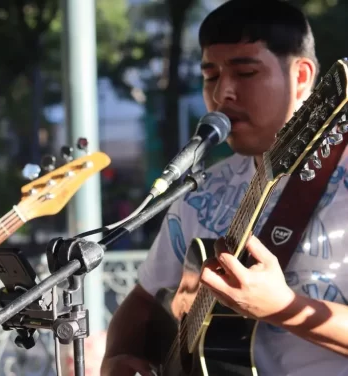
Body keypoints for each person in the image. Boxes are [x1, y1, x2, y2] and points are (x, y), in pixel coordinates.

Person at [102, 1, 348, 375]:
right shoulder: (201, 189)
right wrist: (118, 357)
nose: (223, 94)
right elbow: (143, 299)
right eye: (211, 76)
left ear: (301, 77)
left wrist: (283, 308)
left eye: (246, 72)